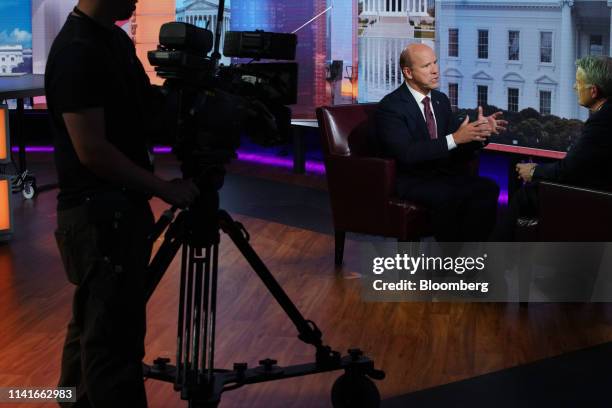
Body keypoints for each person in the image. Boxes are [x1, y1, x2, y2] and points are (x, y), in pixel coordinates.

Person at [45, 0, 200, 406]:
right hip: (98, 218)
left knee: (93, 330)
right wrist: (163, 188)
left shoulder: (110, 39)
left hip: (115, 214)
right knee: (114, 349)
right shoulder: (77, 51)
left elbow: (139, 107)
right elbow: (92, 150)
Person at [375, 43, 507, 242]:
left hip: (443, 174)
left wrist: (480, 134)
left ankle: (468, 258)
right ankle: (449, 264)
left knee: (488, 188)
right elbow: (407, 154)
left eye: (435, 63)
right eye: (427, 66)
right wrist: (455, 138)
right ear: (408, 72)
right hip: (413, 180)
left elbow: (457, 143)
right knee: (448, 197)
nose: (436, 70)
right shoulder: (391, 107)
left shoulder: (440, 100)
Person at [508, 56, 612, 238]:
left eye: (579, 82)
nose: (574, 87)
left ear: (594, 91)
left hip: (595, 199)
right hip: (596, 191)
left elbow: (567, 172)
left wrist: (533, 171)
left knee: (526, 194)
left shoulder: (602, 122)